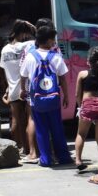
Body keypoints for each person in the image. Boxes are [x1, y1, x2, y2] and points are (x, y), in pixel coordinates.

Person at [20, 26, 72, 168]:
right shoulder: (56, 56)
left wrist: (22, 90)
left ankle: (46, 159)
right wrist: (66, 96)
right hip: (53, 98)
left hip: (36, 99)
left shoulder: (30, 56)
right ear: (49, 40)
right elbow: (62, 78)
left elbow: (23, 76)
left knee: (41, 129)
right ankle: (63, 157)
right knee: (57, 128)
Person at [0, 20, 36, 159]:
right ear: (25, 32)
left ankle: (18, 149)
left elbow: (5, 72)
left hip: (13, 88)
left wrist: (8, 88)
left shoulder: (5, 49)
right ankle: (30, 149)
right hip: (26, 88)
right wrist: (33, 28)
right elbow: (43, 40)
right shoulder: (28, 45)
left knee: (15, 120)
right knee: (30, 120)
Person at [74, 47, 98, 171]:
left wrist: (80, 106)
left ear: (89, 61)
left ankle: (78, 160)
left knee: (81, 134)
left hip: (86, 104)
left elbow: (77, 94)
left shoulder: (82, 74)